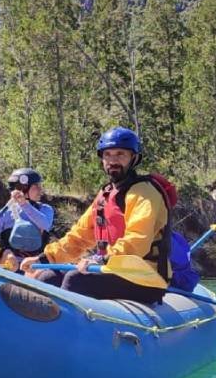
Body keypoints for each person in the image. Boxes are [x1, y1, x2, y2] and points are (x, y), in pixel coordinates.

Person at [19, 128, 169, 303]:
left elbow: (137, 240)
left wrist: (101, 259)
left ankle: (68, 321)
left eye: (120, 154)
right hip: (110, 269)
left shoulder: (145, 193)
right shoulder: (105, 195)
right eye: (107, 155)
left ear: (134, 158)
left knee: (75, 280)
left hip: (145, 277)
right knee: (49, 277)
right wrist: (44, 258)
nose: (113, 160)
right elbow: (79, 237)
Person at [0, 168, 54, 271]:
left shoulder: (45, 209)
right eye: (36, 186)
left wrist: (24, 204)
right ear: (23, 188)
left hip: (35, 264)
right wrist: (3, 253)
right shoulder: (8, 211)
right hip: (11, 263)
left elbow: (45, 224)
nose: (40, 190)